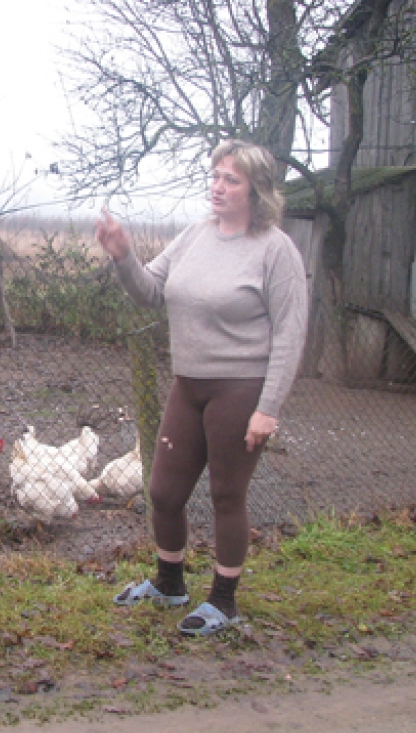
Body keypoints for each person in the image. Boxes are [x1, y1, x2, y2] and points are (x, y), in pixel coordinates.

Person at [96, 139, 308, 636]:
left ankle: (224, 602)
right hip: (188, 385)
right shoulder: (195, 235)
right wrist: (124, 257)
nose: (217, 186)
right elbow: (150, 293)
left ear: (256, 190)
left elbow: (291, 333)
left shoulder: (275, 250)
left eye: (230, 179)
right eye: (214, 175)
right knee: (164, 493)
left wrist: (267, 408)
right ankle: (170, 584)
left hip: (241, 388)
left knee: (226, 495)